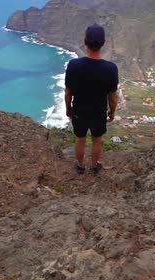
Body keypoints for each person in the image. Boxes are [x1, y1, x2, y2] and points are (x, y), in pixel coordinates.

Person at [65, 24, 119, 175]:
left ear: (85, 40)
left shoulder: (73, 65)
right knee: (97, 139)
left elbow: (68, 92)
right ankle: (95, 166)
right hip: (99, 112)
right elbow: (113, 98)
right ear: (103, 42)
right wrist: (112, 113)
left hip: (79, 111)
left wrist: (68, 108)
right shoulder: (111, 68)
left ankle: (80, 166)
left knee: (80, 138)